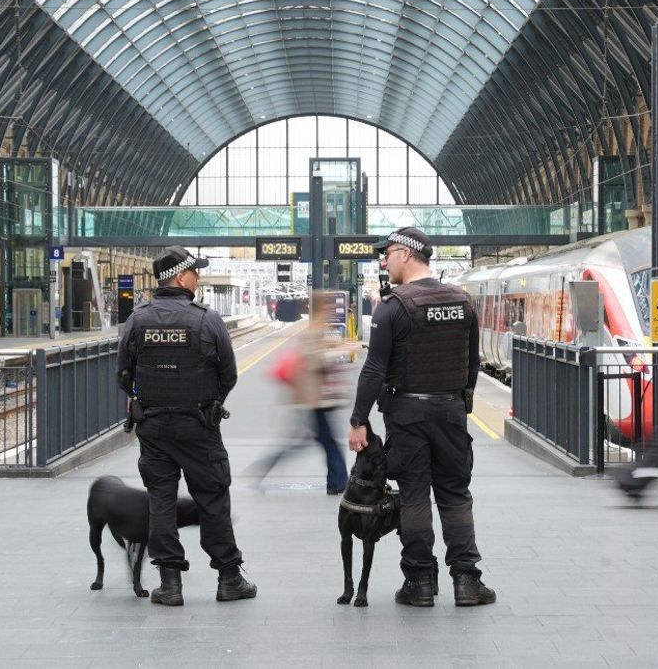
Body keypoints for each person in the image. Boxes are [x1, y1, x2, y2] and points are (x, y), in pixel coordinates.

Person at [346, 226, 495, 607]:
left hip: (408, 413)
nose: (384, 260)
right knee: (455, 494)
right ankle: (466, 581)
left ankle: (420, 583)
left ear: (407, 254)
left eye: (388, 253)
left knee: (414, 496)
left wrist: (358, 419)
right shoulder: (462, 302)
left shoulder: (393, 306)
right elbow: (472, 364)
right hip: (450, 411)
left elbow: (375, 368)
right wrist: (461, 404)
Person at [116, 245, 256, 606]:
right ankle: (228, 579)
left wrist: (146, 400)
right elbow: (229, 374)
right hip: (198, 427)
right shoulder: (206, 319)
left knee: (161, 500)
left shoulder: (137, 319)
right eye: (195, 272)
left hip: (154, 428)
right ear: (181, 277)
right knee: (212, 500)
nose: (199, 277)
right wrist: (208, 404)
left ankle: (170, 583)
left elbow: (123, 374)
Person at [252, 291, 351, 494]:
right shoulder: (314, 330)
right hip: (314, 399)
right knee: (326, 442)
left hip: (313, 399)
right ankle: (338, 483)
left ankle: (337, 482)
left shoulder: (318, 329)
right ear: (321, 308)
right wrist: (340, 351)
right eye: (328, 306)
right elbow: (315, 360)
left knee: (318, 441)